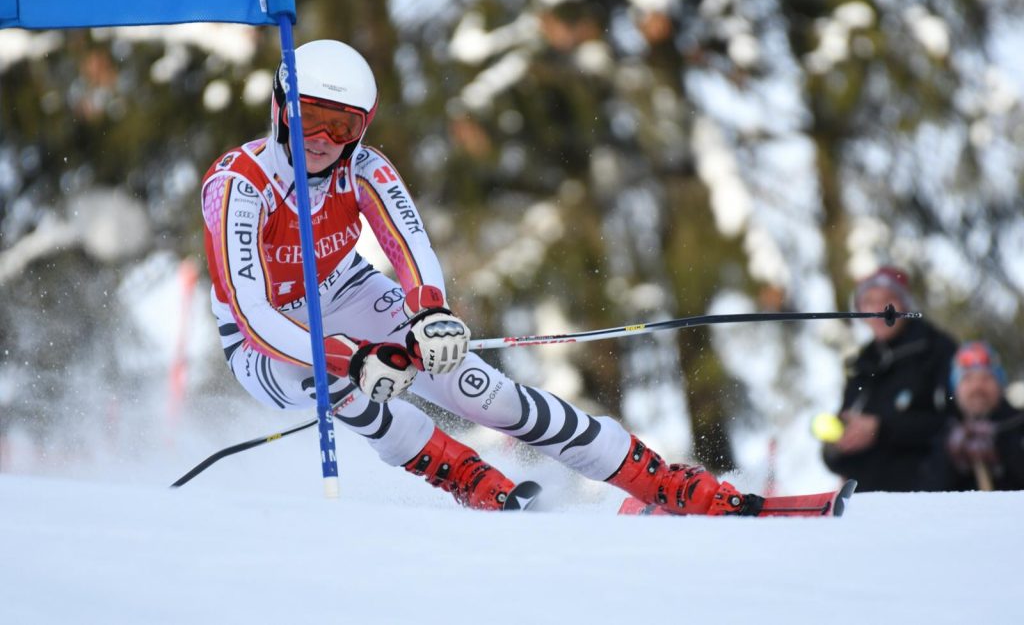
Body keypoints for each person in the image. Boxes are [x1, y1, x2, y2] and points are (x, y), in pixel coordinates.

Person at [199, 39, 762, 514]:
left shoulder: (366, 169)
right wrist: (352, 356)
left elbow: (409, 247)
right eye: (308, 117)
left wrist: (429, 313)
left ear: (361, 128)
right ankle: (467, 477)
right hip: (265, 340)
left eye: (341, 124)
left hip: (346, 290)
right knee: (343, 387)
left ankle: (655, 479)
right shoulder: (239, 185)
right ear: (280, 109)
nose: (322, 138)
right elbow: (253, 315)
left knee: (477, 387)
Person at [822, 266, 958, 492]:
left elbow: (952, 424)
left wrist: (881, 428)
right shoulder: (862, 364)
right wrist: (836, 446)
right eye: (869, 301)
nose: (879, 309)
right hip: (865, 504)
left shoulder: (936, 349)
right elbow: (837, 448)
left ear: (904, 304)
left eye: (888, 299)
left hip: (926, 497)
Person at [921, 342, 1024, 491]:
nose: (977, 387)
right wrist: (950, 456)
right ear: (955, 388)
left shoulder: (1018, 425)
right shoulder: (939, 429)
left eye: (986, 378)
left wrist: (1002, 450)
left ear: (1000, 385)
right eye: (968, 379)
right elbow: (925, 491)